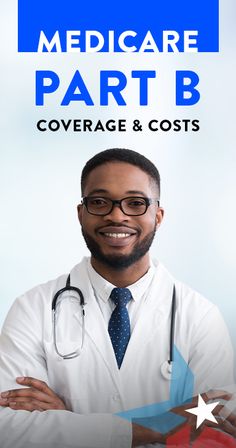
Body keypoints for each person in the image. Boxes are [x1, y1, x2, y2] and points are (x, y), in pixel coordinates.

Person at [0, 148, 235, 447]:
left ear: (158, 216)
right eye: (99, 202)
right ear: (80, 213)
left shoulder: (200, 316)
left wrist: (71, 420)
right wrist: (160, 426)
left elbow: (218, 428)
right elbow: (9, 429)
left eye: (136, 203)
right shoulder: (33, 309)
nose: (116, 215)